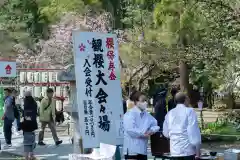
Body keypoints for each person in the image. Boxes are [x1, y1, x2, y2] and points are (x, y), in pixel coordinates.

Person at [163, 92, 201, 160]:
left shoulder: (169, 113)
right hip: (187, 149)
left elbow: (166, 133)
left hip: (174, 150)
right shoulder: (189, 111)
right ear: (186, 99)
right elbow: (193, 131)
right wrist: (198, 150)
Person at [123, 91, 160, 160]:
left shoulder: (147, 115)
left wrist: (151, 130)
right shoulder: (129, 114)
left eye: (146, 100)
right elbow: (130, 130)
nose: (145, 103)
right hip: (132, 150)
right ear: (136, 102)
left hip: (143, 149)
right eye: (143, 101)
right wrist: (144, 133)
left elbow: (155, 124)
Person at [21, 91, 38, 160]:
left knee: (26, 141)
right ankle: (31, 155)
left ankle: (26, 157)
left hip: (26, 124)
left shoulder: (25, 103)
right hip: (32, 124)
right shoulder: (34, 103)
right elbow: (35, 112)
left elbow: (23, 114)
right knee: (32, 140)